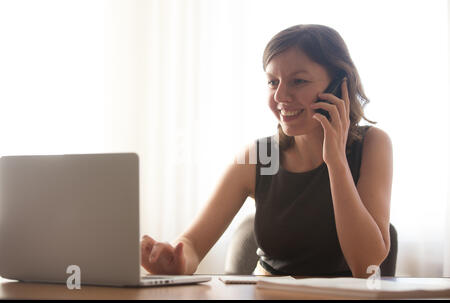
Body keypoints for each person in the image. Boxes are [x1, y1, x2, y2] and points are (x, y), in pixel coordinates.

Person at [141, 24, 393, 278]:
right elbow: (192, 244)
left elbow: (365, 265)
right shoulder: (261, 156)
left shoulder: (372, 145)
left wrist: (336, 163)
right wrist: (175, 260)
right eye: (273, 82)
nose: (281, 95)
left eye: (298, 81)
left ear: (340, 85)